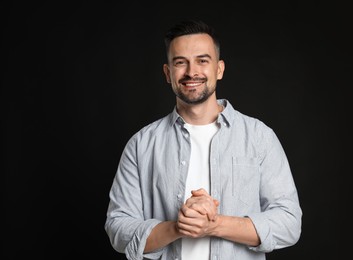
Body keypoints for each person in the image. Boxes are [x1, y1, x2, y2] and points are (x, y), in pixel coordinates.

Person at [104, 19, 302, 260]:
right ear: (168, 73)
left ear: (219, 69)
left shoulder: (259, 137)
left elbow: (289, 223)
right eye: (180, 63)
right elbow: (117, 228)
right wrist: (177, 227)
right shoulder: (141, 145)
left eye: (202, 60)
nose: (191, 72)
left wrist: (215, 224)